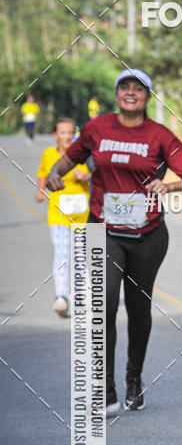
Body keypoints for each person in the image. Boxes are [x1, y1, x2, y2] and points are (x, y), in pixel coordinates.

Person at [46, 69, 182, 414]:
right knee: (103, 306)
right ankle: (105, 389)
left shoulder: (159, 135)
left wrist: (167, 186)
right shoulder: (98, 128)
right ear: (116, 94)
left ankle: (134, 380)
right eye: (124, 86)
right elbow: (73, 155)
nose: (130, 92)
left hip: (147, 236)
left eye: (137, 88)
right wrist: (55, 174)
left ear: (147, 97)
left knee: (139, 310)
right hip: (103, 230)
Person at [36, 117, 90, 316]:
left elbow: (98, 173)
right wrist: (41, 191)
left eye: (70, 132)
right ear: (55, 135)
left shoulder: (83, 155)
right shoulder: (48, 154)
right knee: (61, 252)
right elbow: (43, 173)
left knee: (80, 256)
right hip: (58, 213)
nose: (66, 136)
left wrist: (85, 177)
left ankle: (77, 294)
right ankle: (61, 296)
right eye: (62, 132)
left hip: (82, 215)